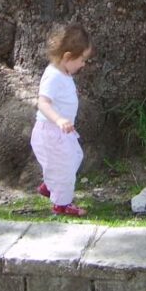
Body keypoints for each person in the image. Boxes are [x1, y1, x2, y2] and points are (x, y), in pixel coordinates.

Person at [31, 23, 93, 217]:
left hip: (62, 131)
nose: (83, 64)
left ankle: (50, 186)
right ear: (67, 57)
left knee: (75, 157)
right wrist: (58, 120)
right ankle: (62, 204)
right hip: (51, 131)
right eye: (82, 59)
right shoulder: (53, 76)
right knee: (64, 168)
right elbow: (43, 103)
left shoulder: (63, 73)